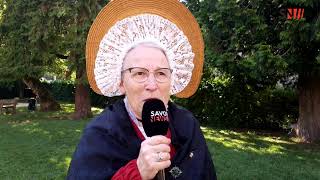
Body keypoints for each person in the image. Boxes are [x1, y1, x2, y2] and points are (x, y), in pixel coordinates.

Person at [67, 0, 217, 179]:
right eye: (139, 73)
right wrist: (137, 171)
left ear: (172, 79)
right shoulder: (101, 133)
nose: (152, 85)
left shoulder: (187, 124)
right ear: (121, 82)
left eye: (161, 73)